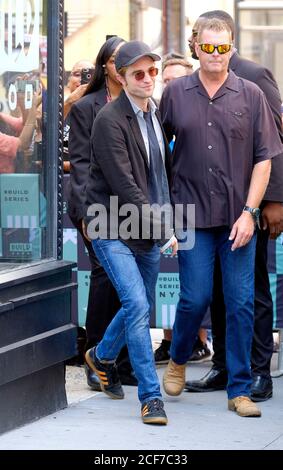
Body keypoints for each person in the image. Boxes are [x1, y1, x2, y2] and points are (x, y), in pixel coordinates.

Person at [160, 17, 283, 417]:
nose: (215, 55)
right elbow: (157, 154)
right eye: (208, 47)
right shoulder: (175, 93)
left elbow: (265, 159)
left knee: (241, 302)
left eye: (222, 47)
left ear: (231, 47)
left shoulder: (250, 94)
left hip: (237, 220)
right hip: (191, 216)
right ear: (196, 46)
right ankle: (178, 357)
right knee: (194, 298)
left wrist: (251, 212)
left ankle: (240, 389)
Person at [84, 40, 177, 424]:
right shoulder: (109, 119)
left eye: (153, 72)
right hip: (112, 226)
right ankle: (151, 397)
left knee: (137, 306)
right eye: (138, 73)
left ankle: (102, 356)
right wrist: (165, 228)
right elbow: (126, 186)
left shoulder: (153, 113)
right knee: (138, 306)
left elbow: (160, 178)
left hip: (146, 230)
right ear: (121, 76)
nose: (148, 79)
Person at [68, 37, 139, 390]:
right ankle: (96, 357)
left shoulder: (142, 103)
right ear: (105, 66)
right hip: (96, 207)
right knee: (103, 277)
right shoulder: (86, 107)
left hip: (132, 207)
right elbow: (79, 164)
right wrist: (84, 213)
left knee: (130, 286)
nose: (121, 67)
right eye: (115, 61)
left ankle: (119, 360)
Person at [154, 53, 211, 365]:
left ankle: (198, 340)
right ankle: (169, 340)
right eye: (166, 82)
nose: (170, 86)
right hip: (171, 206)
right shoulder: (163, 118)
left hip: (198, 210)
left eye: (175, 80)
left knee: (195, 285)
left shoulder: (200, 114)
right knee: (167, 277)